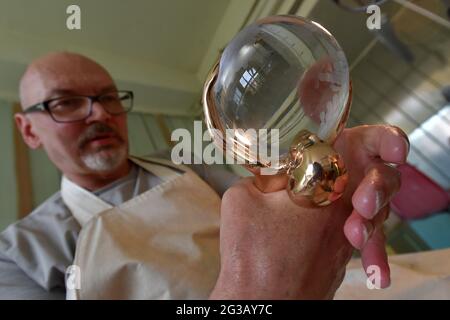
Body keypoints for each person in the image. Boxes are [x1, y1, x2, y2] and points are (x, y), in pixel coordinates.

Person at [0, 52, 408, 299]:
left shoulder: (184, 163)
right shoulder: (18, 256)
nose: (101, 113)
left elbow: (274, 201)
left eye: (109, 97)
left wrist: (319, 176)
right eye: (68, 103)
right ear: (29, 130)